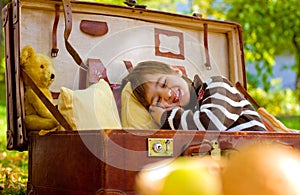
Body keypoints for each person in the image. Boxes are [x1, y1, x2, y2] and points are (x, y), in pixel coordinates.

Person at [121, 61, 266, 131]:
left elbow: (211, 125)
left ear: (176, 70)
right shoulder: (183, 121)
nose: (168, 94)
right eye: (158, 100)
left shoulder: (216, 85)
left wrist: (165, 118)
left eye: (164, 83)